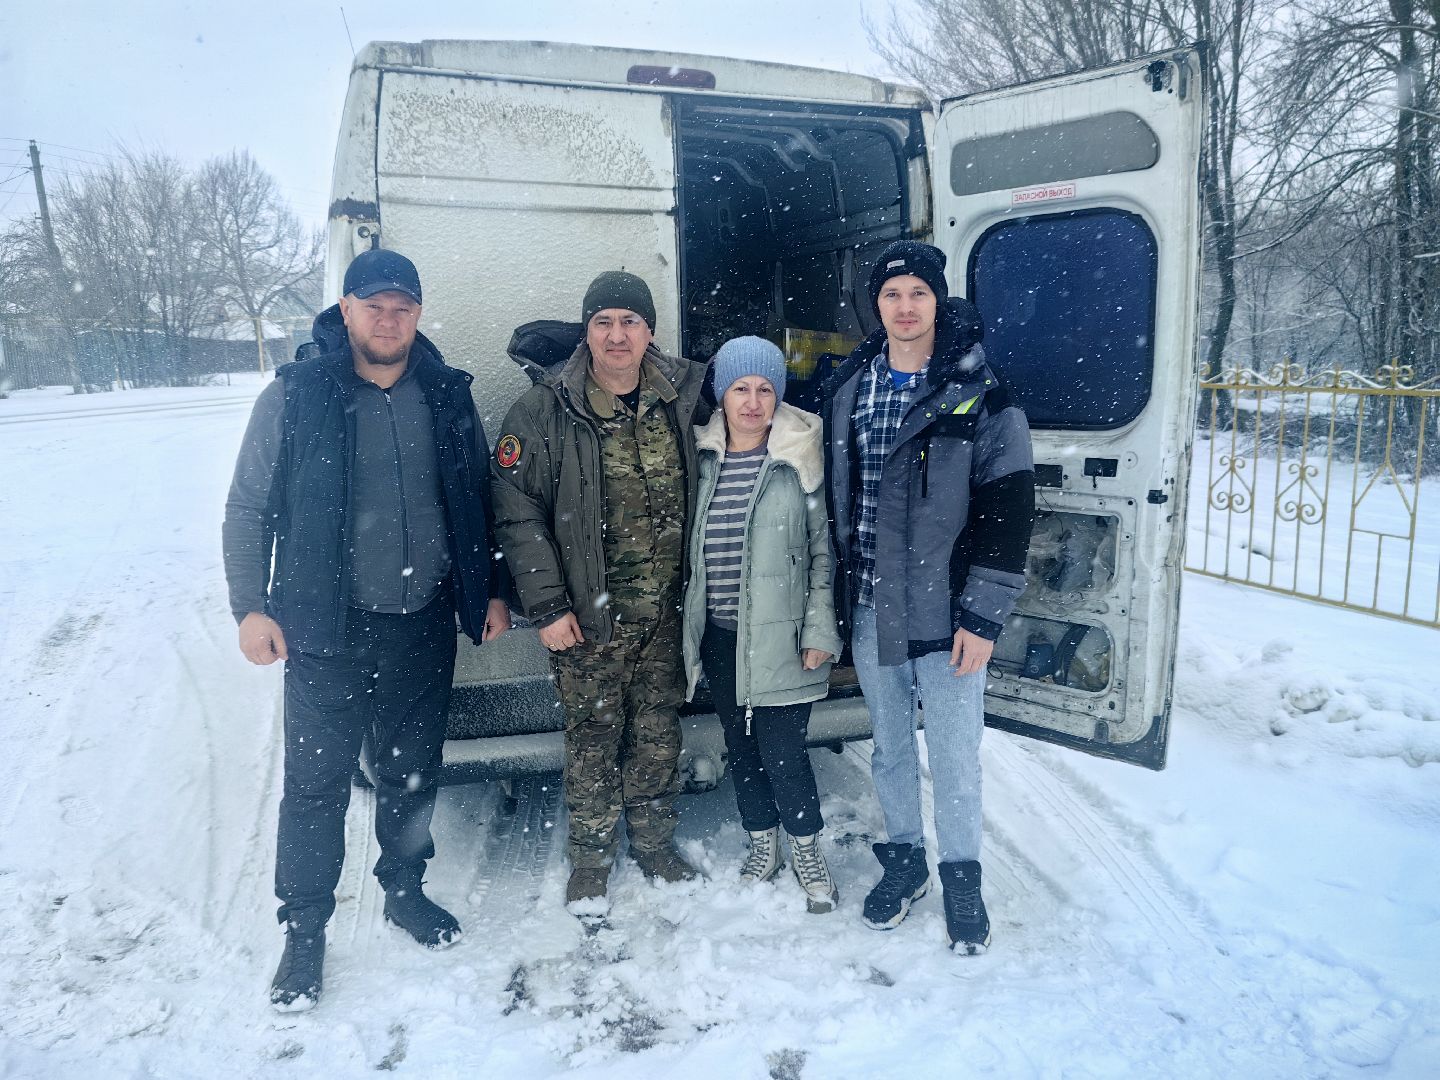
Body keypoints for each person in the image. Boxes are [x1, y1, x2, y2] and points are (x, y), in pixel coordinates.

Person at [223, 248, 512, 1011]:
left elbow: (477, 497)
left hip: (421, 624)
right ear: (345, 310)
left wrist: (489, 589)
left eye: (403, 306)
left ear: (418, 313)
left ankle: (404, 888)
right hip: (323, 631)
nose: (389, 319)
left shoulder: (447, 395)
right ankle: (306, 926)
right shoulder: (296, 394)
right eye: (373, 305)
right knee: (316, 787)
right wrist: (249, 606)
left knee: (411, 772)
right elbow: (246, 507)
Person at [823, 240, 1034, 954]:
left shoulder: (982, 393)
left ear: (937, 301)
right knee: (887, 750)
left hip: (948, 617)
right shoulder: (850, 388)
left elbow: (1009, 512)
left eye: (918, 293)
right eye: (891, 295)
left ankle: (961, 874)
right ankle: (906, 858)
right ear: (874, 306)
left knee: (954, 756)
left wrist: (983, 615)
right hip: (873, 609)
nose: (905, 307)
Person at [490, 271, 708, 912]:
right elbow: (516, 512)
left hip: (666, 613)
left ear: (649, 331)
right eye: (604, 321)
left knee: (658, 733)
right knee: (592, 739)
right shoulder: (544, 410)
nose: (618, 335)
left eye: (630, 321)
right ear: (587, 331)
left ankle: (655, 842)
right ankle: (589, 859)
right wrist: (549, 607)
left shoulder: (680, 398)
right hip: (588, 620)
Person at [681, 337, 845, 913]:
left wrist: (820, 631)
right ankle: (762, 843)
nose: (753, 402)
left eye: (766, 389)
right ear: (721, 394)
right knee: (740, 746)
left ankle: (805, 847)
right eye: (741, 388)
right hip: (722, 636)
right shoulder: (700, 457)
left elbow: (823, 552)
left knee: (783, 750)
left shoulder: (799, 457)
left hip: (782, 635)